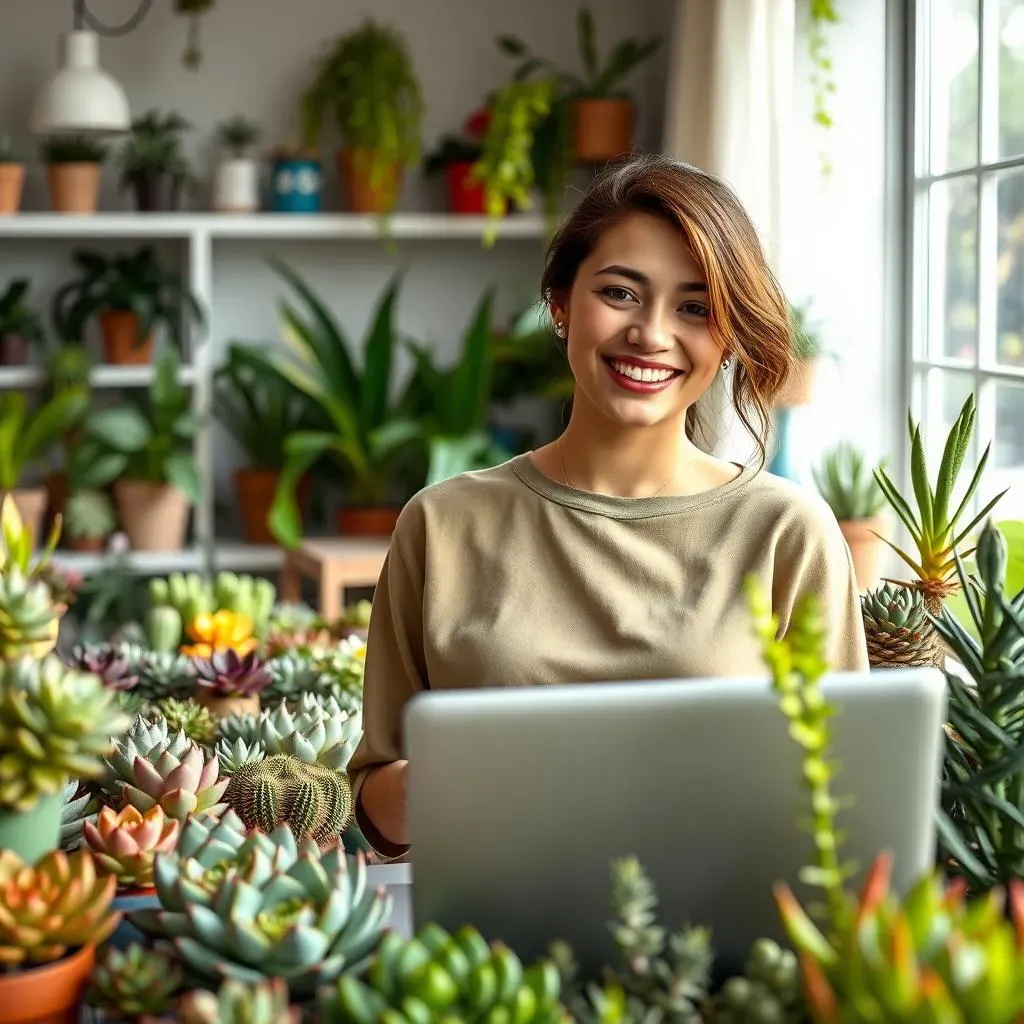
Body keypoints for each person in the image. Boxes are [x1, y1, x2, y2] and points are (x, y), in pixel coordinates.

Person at [347, 153, 869, 861]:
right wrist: (469, 778)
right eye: (621, 294)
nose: (651, 334)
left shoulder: (786, 533)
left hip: (717, 941)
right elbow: (378, 807)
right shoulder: (441, 525)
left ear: (725, 338)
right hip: (491, 941)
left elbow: (839, 807)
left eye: (694, 307)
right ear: (560, 305)